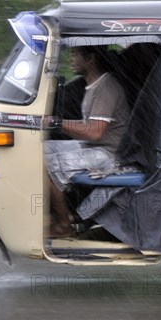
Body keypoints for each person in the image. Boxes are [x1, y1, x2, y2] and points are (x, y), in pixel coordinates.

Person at [44, 46, 130, 237]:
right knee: (38, 150)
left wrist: (58, 122)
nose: (71, 59)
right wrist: (54, 124)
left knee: (45, 163)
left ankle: (64, 223)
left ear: (90, 58)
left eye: (75, 54)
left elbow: (95, 133)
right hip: (95, 147)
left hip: (110, 155)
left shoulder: (106, 88)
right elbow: (87, 126)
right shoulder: (93, 86)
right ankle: (59, 215)